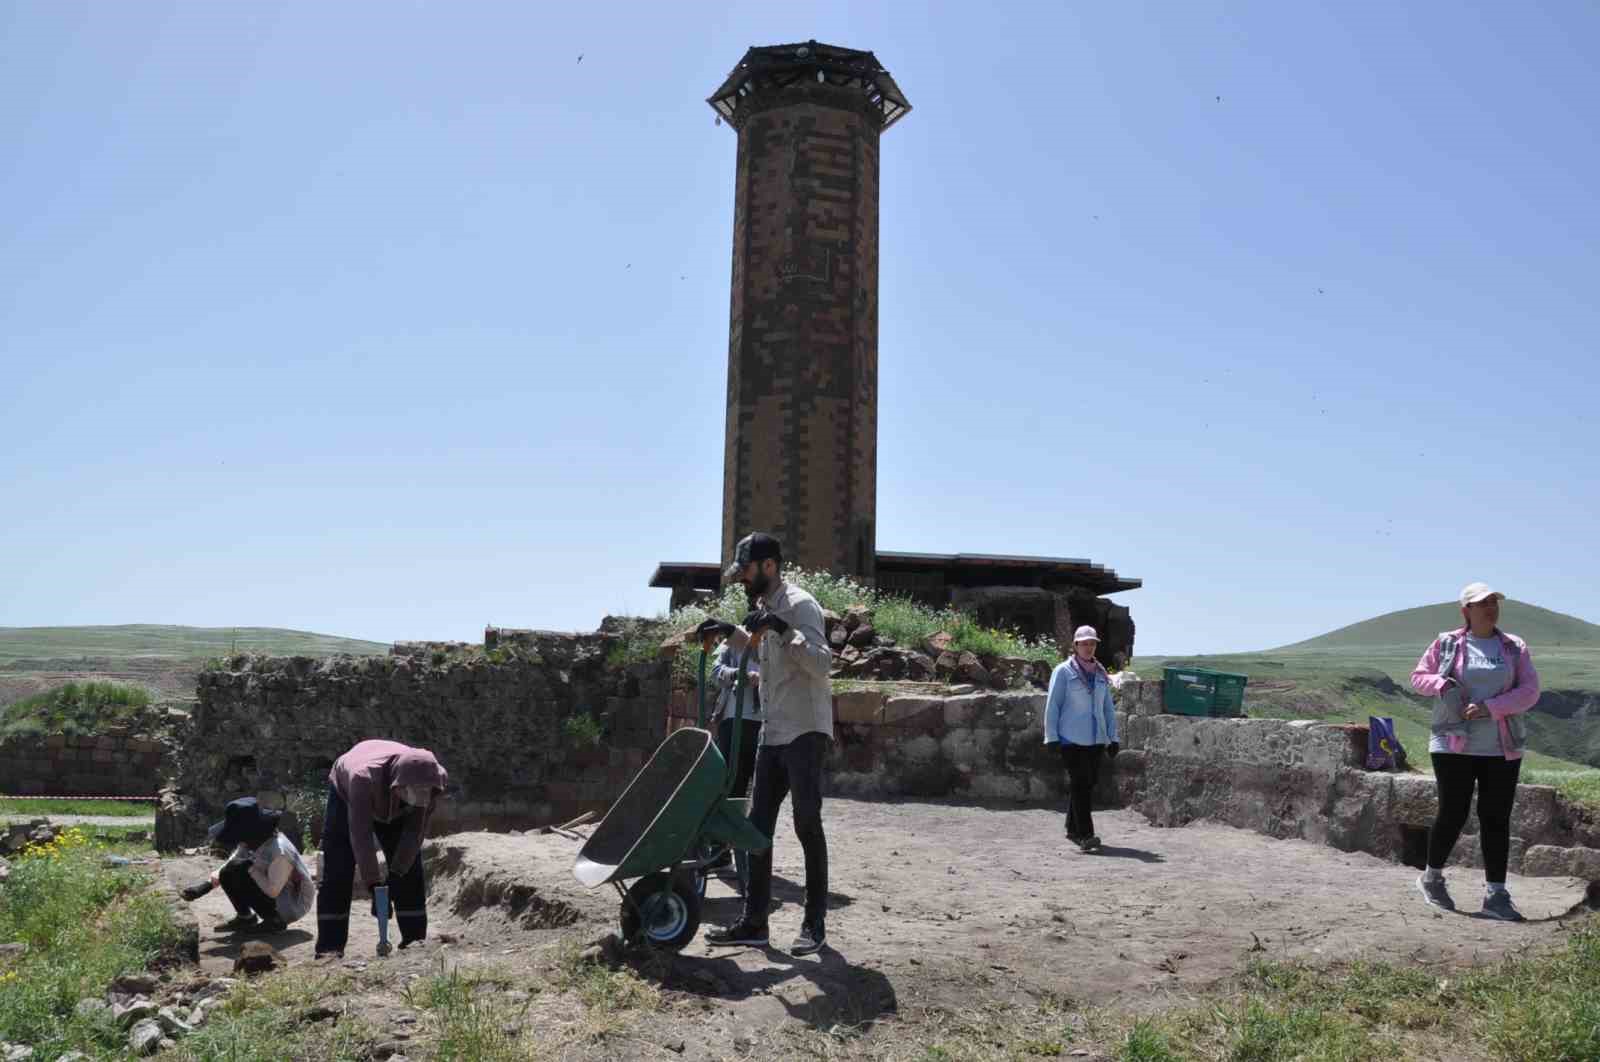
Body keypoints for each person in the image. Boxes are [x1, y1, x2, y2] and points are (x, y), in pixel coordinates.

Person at [695, 532, 834, 955]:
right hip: (773, 732)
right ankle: (755, 923)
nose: (742, 580)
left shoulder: (798, 605)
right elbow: (762, 649)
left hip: (805, 730)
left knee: (806, 824)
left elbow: (822, 662)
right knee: (756, 829)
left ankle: (814, 923)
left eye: (747, 572)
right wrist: (730, 633)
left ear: (769, 566)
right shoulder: (765, 608)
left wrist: (783, 628)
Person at [1410, 583, 1540, 921]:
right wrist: (1442, 683)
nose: (1490, 608)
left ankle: (1496, 895)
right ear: (1465, 610)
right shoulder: (1447, 643)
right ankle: (1432, 878)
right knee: (1453, 812)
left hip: (1501, 746)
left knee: (1496, 818)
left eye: (1493, 602)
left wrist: (1490, 707)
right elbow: (1419, 677)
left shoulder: (1513, 647)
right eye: (1482, 603)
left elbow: (1530, 692)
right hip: (1453, 743)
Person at [314, 739, 449, 957]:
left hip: (392, 795)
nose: (420, 798)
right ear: (400, 784)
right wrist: (375, 886)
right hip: (348, 794)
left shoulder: (431, 779)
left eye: (425, 792)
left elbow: (414, 834)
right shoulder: (361, 778)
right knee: (338, 868)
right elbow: (361, 835)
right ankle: (330, 948)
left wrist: (395, 876)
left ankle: (415, 942)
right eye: (414, 792)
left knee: (409, 868)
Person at [182, 797, 315, 934]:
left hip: (291, 903)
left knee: (239, 869)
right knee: (229, 871)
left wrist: (249, 868)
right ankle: (245, 917)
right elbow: (234, 860)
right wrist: (205, 886)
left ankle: (274, 920)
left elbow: (273, 890)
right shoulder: (251, 841)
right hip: (272, 888)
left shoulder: (279, 852)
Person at [1042, 626, 1120, 852]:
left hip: (1095, 739)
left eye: (1092, 643)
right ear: (1075, 646)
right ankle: (1086, 835)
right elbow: (1053, 705)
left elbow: (1107, 708)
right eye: (1084, 643)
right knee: (1080, 784)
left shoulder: (1100, 673)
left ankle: (1071, 827)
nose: (1089, 647)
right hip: (1070, 737)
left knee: (1088, 783)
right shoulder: (1063, 671)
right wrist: (1051, 736)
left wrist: (1113, 738)